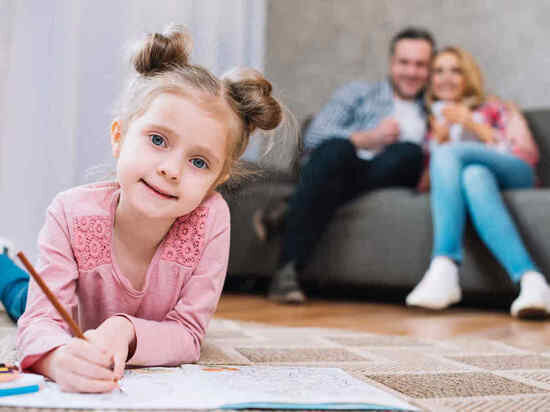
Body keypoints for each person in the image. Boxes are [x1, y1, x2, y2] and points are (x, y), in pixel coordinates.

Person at [1, 25, 285, 393]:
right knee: (21, 296)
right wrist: (55, 359)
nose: (171, 169)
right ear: (119, 137)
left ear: (218, 179)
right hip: (67, 304)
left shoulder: (211, 219)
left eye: (199, 162)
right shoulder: (70, 213)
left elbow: (188, 334)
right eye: (158, 140)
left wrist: (125, 330)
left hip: (125, 329)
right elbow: (41, 321)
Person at [267, 27, 435, 304]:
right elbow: (314, 135)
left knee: (408, 153)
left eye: (420, 65)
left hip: (386, 172)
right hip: (336, 166)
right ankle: (287, 272)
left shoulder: (433, 110)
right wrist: (369, 138)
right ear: (392, 63)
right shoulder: (359, 93)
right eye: (404, 62)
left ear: (429, 69)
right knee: (338, 148)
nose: (411, 72)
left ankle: (292, 208)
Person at [405, 46, 549, 319]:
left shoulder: (495, 107)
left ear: (468, 76)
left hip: (517, 172)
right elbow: (427, 185)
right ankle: (532, 281)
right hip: (483, 179)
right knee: (474, 176)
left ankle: (445, 264)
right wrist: (440, 142)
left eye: (455, 71)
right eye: (439, 71)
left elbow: (525, 152)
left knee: (452, 156)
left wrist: (472, 124)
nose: (446, 78)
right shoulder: (433, 124)